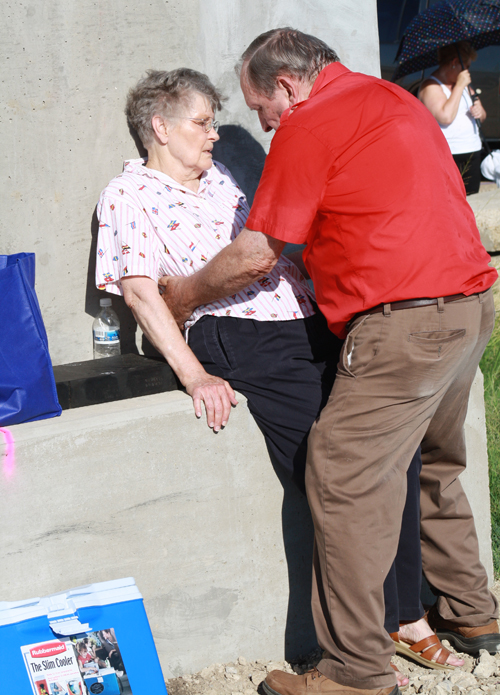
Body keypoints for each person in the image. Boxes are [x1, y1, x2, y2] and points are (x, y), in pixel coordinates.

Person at [158, 29, 499, 695]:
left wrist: (184, 295)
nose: (260, 123)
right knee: (433, 460)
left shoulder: (311, 122)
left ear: (287, 86)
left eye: (259, 108)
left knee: (339, 474)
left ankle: (354, 673)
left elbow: (259, 251)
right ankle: (473, 614)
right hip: (469, 303)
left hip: (402, 321)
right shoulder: (392, 100)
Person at [95, 68, 458, 689]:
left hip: (303, 319)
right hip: (240, 336)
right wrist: (194, 375)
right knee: (331, 468)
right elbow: (140, 294)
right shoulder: (129, 196)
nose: (214, 135)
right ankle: (360, 642)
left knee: (392, 450)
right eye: (201, 123)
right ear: (158, 127)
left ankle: (401, 614)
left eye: (213, 123)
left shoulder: (220, 181)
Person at [419, 41, 486, 195]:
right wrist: (460, 86)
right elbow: (445, 116)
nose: (468, 72)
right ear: (455, 63)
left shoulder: (462, 84)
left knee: (472, 201)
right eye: (466, 66)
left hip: (472, 151)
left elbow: (482, 114)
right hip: (450, 155)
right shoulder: (431, 86)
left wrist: (479, 111)